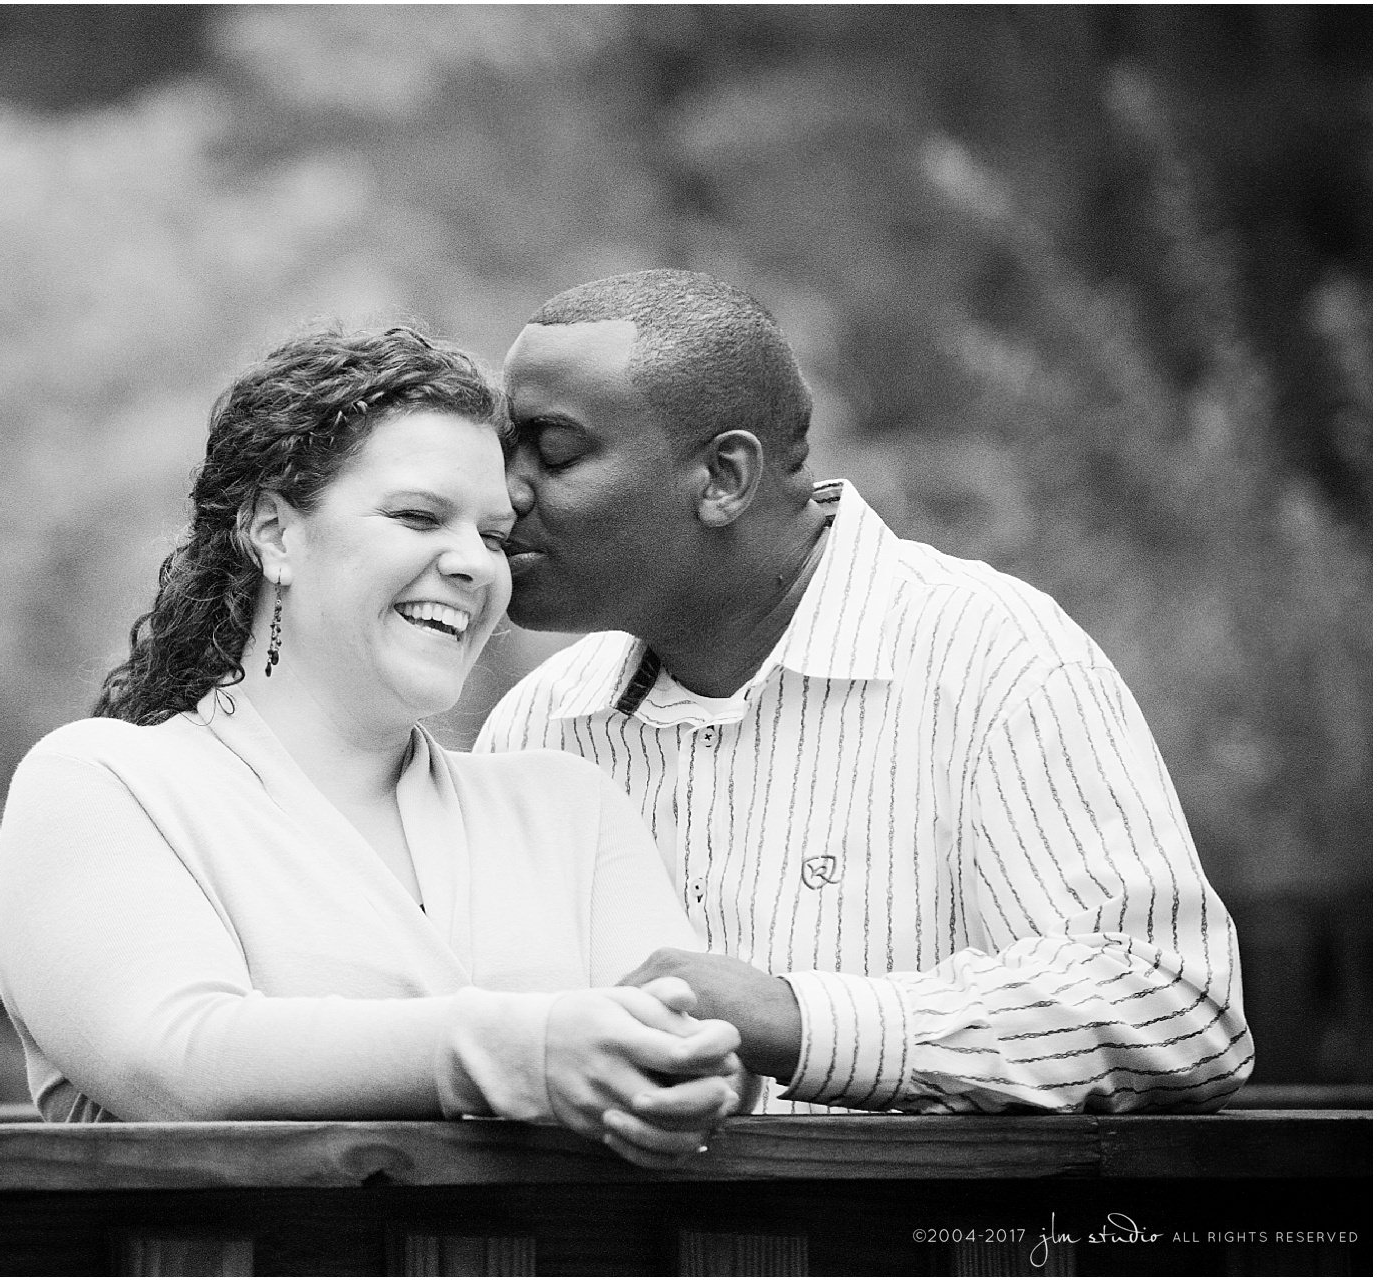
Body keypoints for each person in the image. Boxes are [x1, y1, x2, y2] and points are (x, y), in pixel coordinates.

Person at [477, 269, 1254, 1115]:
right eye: (503, 451)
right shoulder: (537, 723)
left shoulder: (996, 660)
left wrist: (800, 1021)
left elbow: (1175, 1007)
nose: (503, 492)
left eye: (552, 453)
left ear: (724, 477)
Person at [0, 324, 757, 1166]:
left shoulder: (569, 805)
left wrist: (692, 1074)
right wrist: (523, 1050)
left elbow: (699, 1049)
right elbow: (176, 1057)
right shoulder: (104, 784)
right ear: (275, 533)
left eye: (495, 536)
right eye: (419, 516)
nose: (474, 564)